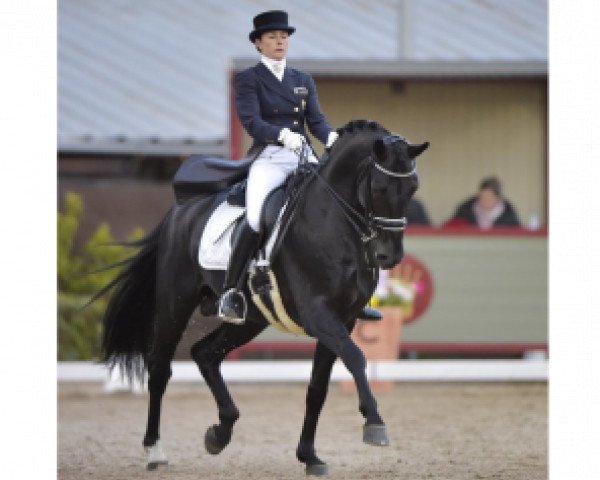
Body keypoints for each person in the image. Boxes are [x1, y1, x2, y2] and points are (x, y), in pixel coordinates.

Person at [218, 10, 379, 323]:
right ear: (258, 44)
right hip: (269, 156)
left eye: (283, 37)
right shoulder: (249, 79)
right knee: (255, 216)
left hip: (303, 154)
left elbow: (315, 120)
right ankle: (231, 292)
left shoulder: (302, 80)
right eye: (272, 38)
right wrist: (280, 134)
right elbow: (251, 121)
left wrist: (333, 139)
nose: (279, 42)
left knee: (342, 207)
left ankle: (357, 292)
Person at [446, 176, 520, 229]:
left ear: (498, 198)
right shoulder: (465, 211)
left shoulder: (509, 215)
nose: (485, 201)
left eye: (489, 198)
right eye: (482, 197)